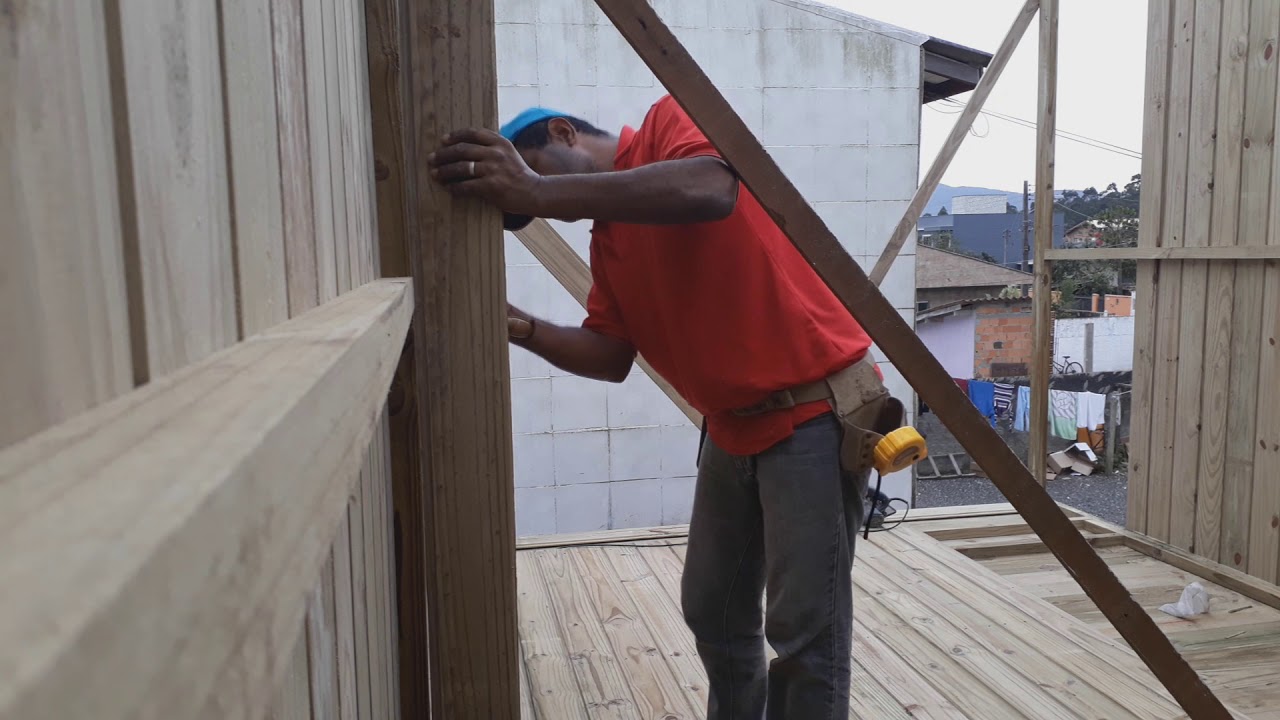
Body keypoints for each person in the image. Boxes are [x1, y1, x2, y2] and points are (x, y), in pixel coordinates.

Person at [427, 95, 896, 720]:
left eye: (537, 173)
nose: (548, 211)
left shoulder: (668, 127)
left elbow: (712, 189)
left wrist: (536, 191)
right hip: (733, 427)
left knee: (804, 630)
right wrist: (522, 327)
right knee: (713, 606)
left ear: (565, 133)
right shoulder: (609, 241)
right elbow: (610, 353)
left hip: (813, 412)